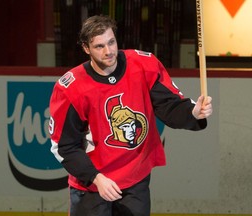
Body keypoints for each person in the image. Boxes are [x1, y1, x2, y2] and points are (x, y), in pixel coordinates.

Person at [49, 15, 212, 216]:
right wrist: (96, 178)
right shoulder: (70, 88)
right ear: (86, 48)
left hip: (135, 179)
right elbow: (64, 146)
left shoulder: (144, 65)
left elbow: (169, 106)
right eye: (99, 46)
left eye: (111, 42)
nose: (108, 51)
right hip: (92, 185)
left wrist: (193, 112)